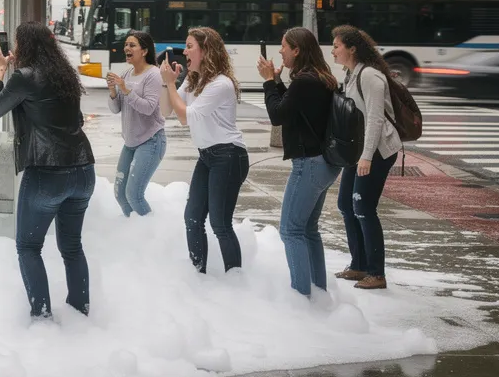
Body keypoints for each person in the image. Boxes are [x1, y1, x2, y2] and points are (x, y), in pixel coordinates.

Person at [0, 22, 96, 318]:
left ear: (27, 46)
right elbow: (77, 120)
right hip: (83, 170)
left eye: (18, 43)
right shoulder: (65, 76)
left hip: (47, 173)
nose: (15, 49)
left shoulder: (24, 76)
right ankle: (80, 313)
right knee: (72, 247)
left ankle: (43, 316)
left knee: (28, 247)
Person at [259, 27, 341, 297]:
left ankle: (301, 297)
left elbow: (278, 115)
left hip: (308, 164)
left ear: (297, 50)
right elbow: (297, 109)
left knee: (291, 231)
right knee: (308, 230)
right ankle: (319, 292)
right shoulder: (321, 77)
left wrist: (269, 82)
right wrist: (280, 83)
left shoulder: (305, 81)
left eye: (284, 46)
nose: (280, 50)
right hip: (325, 163)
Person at [160, 27, 248, 274]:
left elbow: (188, 118)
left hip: (229, 155)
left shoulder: (221, 84)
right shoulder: (193, 79)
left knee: (220, 223)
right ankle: (198, 275)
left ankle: (236, 280)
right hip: (208, 155)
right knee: (192, 217)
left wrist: (169, 84)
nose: (184, 51)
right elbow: (167, 111)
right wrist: (168, 83)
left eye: (189, 46)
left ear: (206, 50)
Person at [330, 25, 402, 290]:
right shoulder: (351, 74)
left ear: (352, 48)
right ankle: (358, 265)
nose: (333, 50)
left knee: (363, 208)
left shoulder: (370, 76)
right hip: (359, 151)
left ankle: (376, 273)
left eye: (337, 46)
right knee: (346, 205)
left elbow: (374, 119)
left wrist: (367, 157)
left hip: (377, 152)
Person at [106, 30, 166, 218]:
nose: (126, 48)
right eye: (126, 45)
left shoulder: (154, 75)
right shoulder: (127, 73)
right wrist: (113, 91)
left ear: (144, 51)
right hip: (130, 142)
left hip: (151, 141)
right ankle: (134, 232)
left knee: (134, 194)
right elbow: (116, 109)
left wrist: (125, 88)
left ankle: (150, 233)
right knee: (120, 194)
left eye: (132, 45)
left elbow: (148, 108)